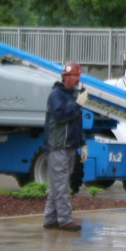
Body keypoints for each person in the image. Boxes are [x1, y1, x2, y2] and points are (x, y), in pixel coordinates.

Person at [43, 62, 87, 232]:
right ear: (66, 77)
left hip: (69, 145)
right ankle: (64, 220)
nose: (78, 79)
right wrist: (78, 105)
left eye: (78, 76)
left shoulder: (73, 95)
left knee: (59, 183)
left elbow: (77, 122)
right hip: (57, 145)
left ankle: (50, 218)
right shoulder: (56, 95)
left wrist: (82, 143)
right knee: (61, 184)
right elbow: (61, 116)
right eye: (75, 76)